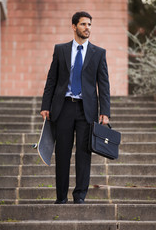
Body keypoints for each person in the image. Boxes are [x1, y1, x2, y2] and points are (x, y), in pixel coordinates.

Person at [40, 11, 110, 204]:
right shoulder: (61, 49)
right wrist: (46, 105)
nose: (87, 28)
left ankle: (79, 196)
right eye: (83, 24)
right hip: (63, 108)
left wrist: (105, 112)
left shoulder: (98, 53)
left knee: (83, 154)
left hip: (86, 110)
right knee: (62, 153)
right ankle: (61, 197)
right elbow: (52, 79)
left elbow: (103, 85)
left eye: (89, 24)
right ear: (73, 26)